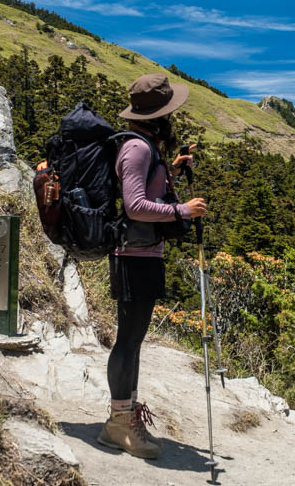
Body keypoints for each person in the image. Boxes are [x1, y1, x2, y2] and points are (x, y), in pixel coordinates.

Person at [97, 74, 208, 459]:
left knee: (133, 339)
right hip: (134, 256)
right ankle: (119, 425)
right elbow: (135, 206)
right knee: (128, 340)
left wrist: (171, 171)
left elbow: (144, 192)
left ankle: (124, 420)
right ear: (159, 116)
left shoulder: (144, 147)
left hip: (142, 253)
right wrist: (183, 210)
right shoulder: (138, 150)